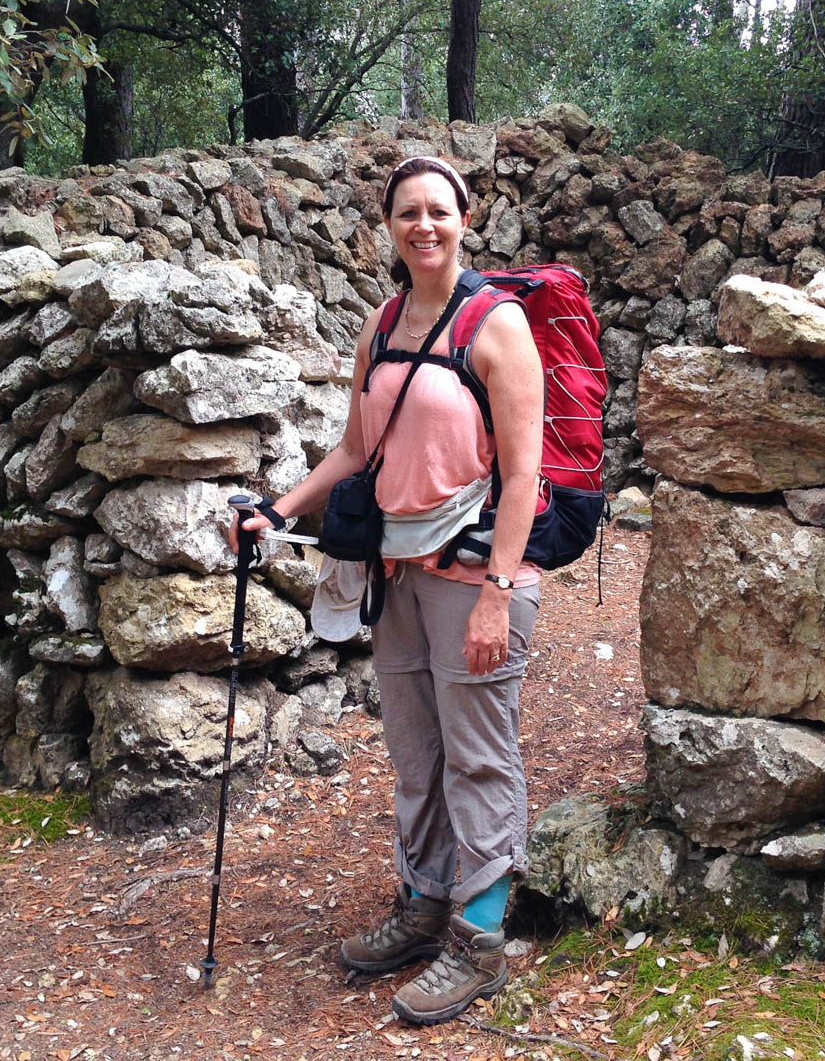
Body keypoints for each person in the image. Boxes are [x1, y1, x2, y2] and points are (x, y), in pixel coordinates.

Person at [233, 155, 545, 1026]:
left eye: (439, 211)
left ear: (465, 218)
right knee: (415, 751)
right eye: (408, 212)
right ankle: (425, 904)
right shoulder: (383, 322)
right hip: (397, 577)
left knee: (480, 752)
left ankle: (481, 940)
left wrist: (498, 590)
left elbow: (523, 475)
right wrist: (278, 508)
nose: (424, 226)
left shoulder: (497, 326)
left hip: (474, 574)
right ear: (390, 227)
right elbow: (354, 453)